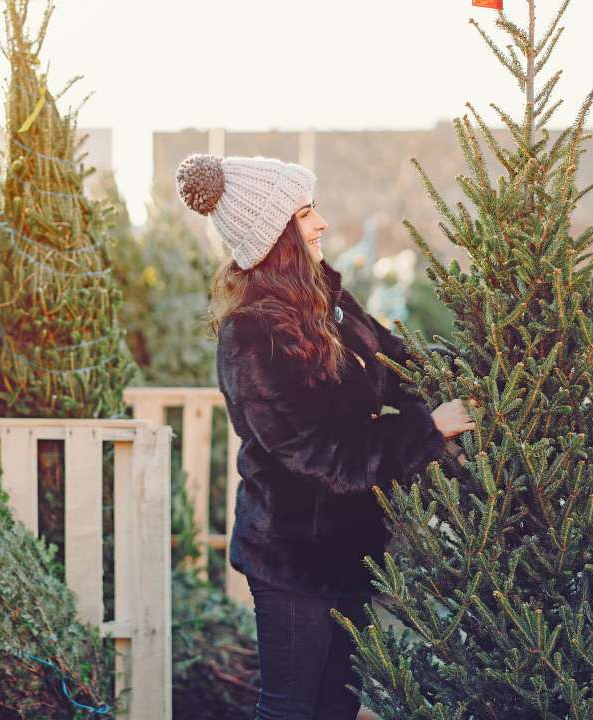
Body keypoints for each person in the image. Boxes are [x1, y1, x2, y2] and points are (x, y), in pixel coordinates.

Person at [176, 154, 477, 720]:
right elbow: (321, 456)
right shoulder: (251, 336)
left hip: (351, 549)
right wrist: (427, 430)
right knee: (291, 709)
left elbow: (398, 361)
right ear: (276, 234)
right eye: (306, 213)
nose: (321, 224)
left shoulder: (328, 303)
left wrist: (470, 373)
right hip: (293, 558)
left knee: (338, 706)